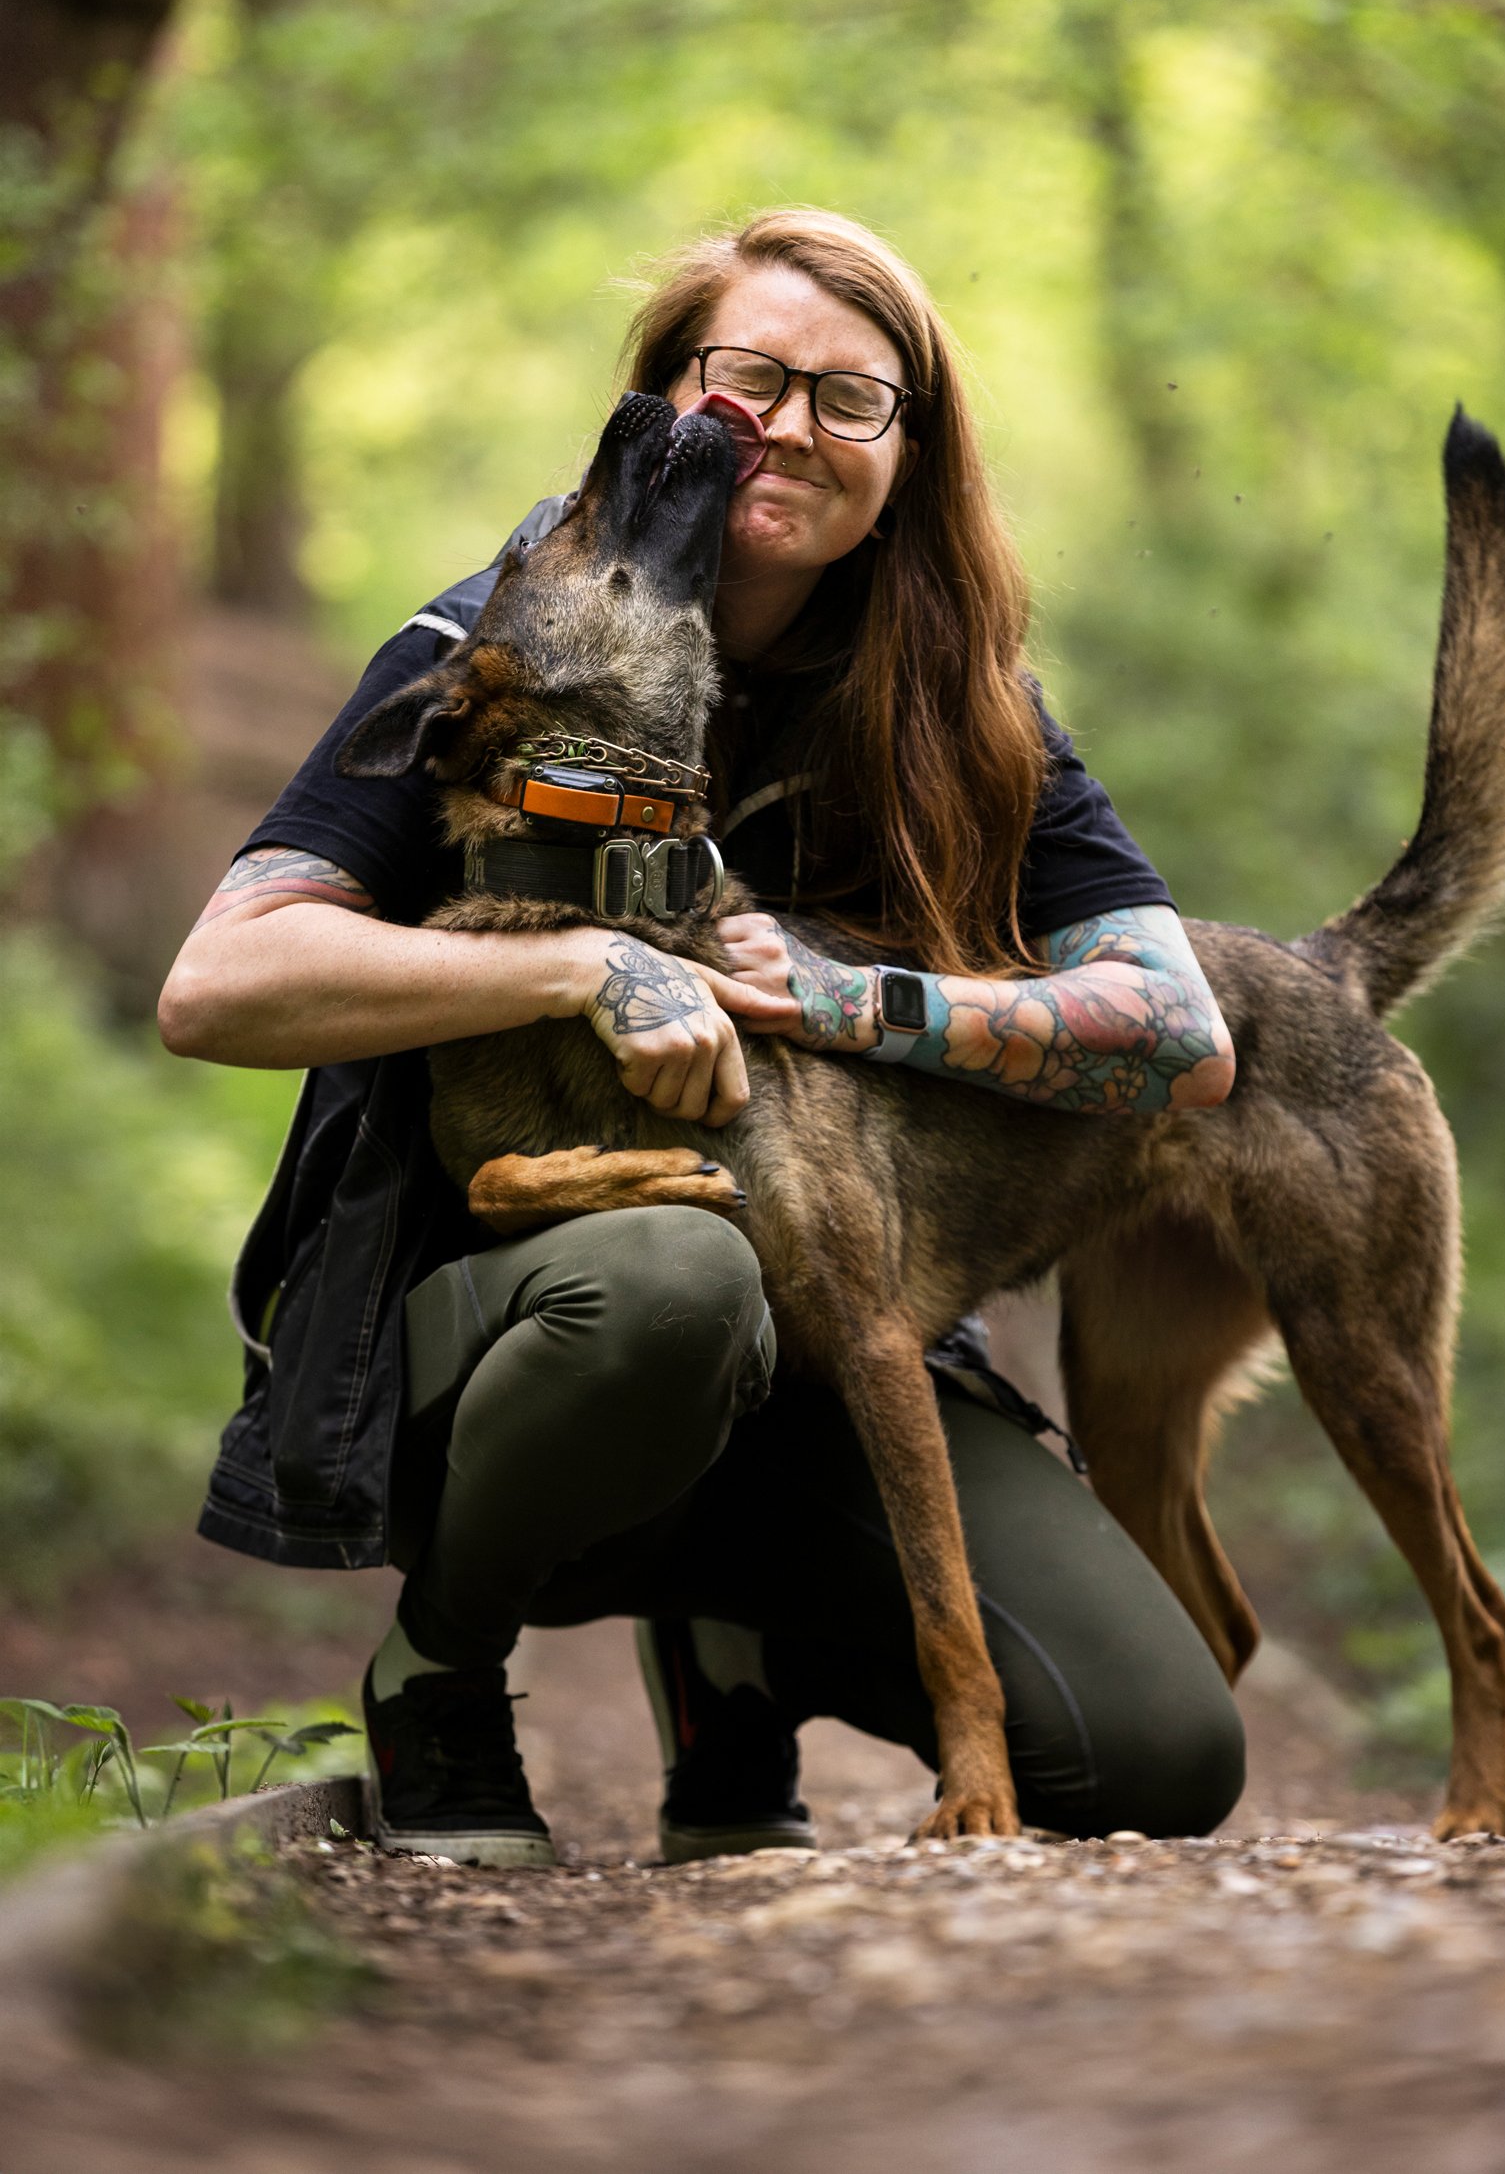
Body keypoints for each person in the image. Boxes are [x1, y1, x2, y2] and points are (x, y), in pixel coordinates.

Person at [160, 207, 1245, 1868]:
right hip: (527, 1336)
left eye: (852, 397)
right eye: (747, 377)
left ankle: (740, 1650)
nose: (793, 423)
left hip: (842, 1346)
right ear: (670, 396)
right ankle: (440, 1670)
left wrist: (847, 997)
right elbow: (219, 984)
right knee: (672, 1278)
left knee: (1153, 1761)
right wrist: (584, 966)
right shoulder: (494, 660)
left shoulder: (967, 710)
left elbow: (1184, 1037)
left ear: (911, 450)